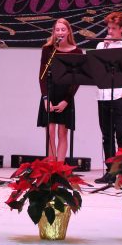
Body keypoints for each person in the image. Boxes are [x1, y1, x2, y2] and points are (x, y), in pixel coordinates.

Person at [94, 11, 122, 184]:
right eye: (108, 28)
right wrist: (104, 46)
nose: (110, 32)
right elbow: (96, 70)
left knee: (121, 132)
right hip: (103, 95)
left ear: (121, 29)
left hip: (119, 95)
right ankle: (111, 172)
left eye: (113, 28)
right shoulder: (100, 46)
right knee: (107, 135)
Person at [37, 18, 83, 161]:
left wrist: (66, 101)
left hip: (65, 96)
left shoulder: (77, 51)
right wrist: (45, 98)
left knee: (62, 133)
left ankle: (61, 168)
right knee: (50, 131)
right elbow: (42, 76)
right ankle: (51, 169)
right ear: (54, 32)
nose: (60, 32)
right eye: (57, 30)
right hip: (50, 93)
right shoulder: (47, 49)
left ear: (68, 31)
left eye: (63, 29)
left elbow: (77, 80)